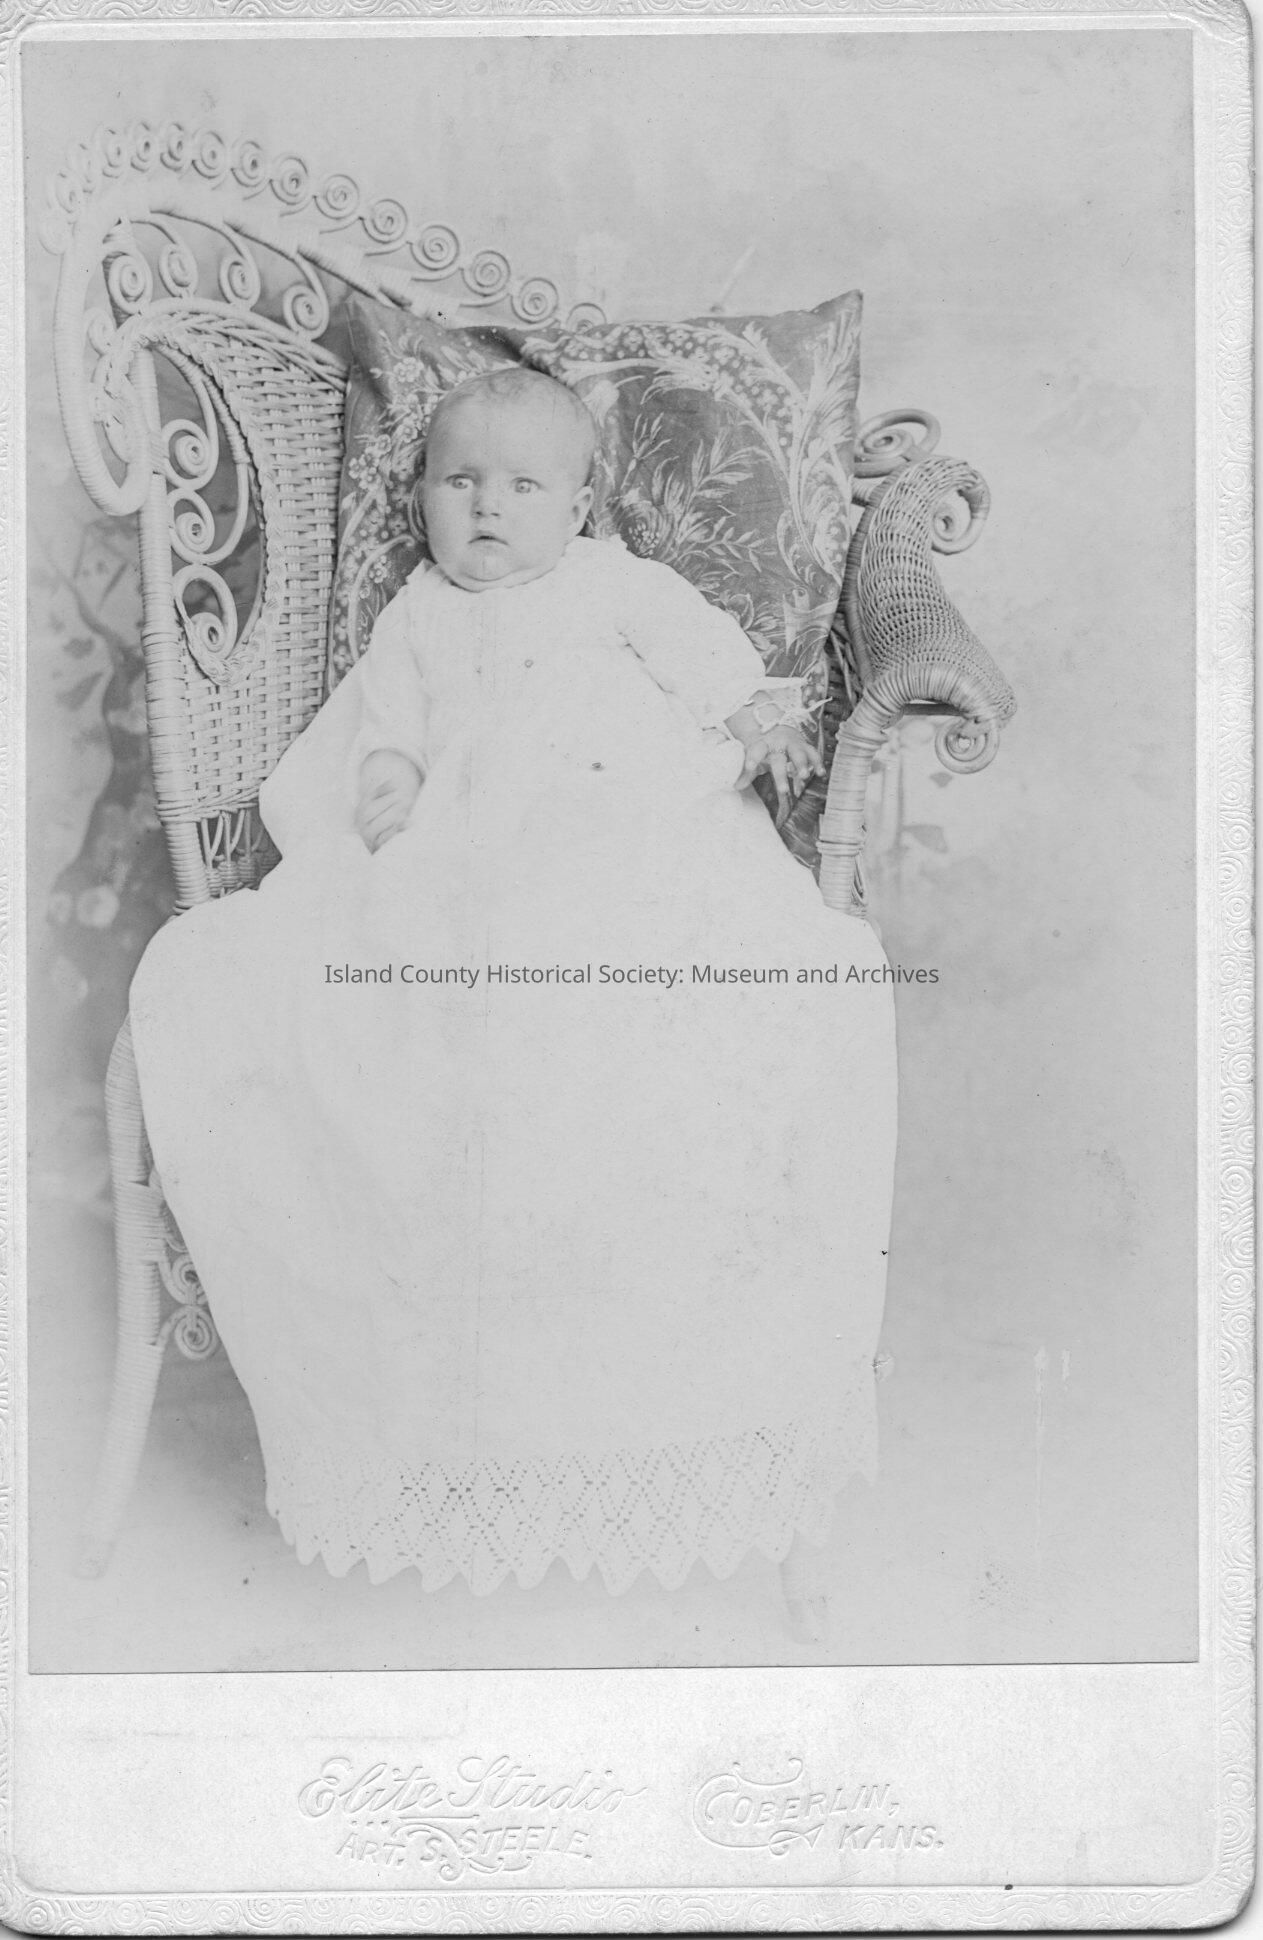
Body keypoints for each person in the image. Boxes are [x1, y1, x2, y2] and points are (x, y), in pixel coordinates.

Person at [129, 368, 898, 1622]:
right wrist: (387, 782)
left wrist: (752, 718)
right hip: (469, 845)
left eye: (524, 486)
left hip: (617, 818)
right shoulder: (418, 614)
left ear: (579, 506)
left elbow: (705, 655)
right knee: (425, 959)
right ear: (422, 499)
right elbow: (384, 727)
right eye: (459, 481)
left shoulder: (611, 584)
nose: (487, 507)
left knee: (647, 931)